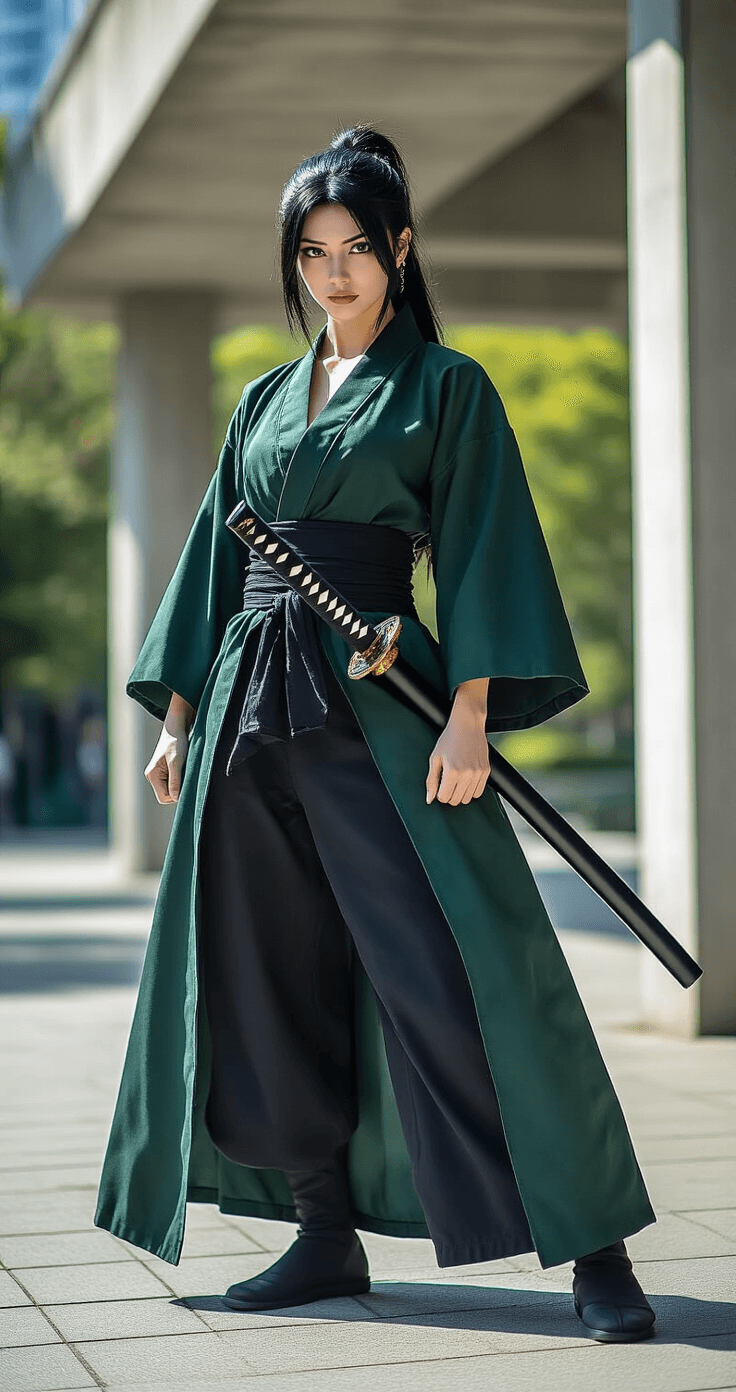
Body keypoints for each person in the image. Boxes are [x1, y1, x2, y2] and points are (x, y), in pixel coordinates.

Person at [95, 125, 657, 1343]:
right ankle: (320, 1231)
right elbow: (211, 556)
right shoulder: (261, 398)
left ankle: (593, 1242)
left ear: (400, 250)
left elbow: (483, 548)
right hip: (248, 709)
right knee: (266, 975)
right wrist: (178, 715)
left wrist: (468, 718)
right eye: (313, 251)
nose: (336, 272)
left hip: (379, 700)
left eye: (358, 247)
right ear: (293, 262)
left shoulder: (446, 387)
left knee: (462, 966)